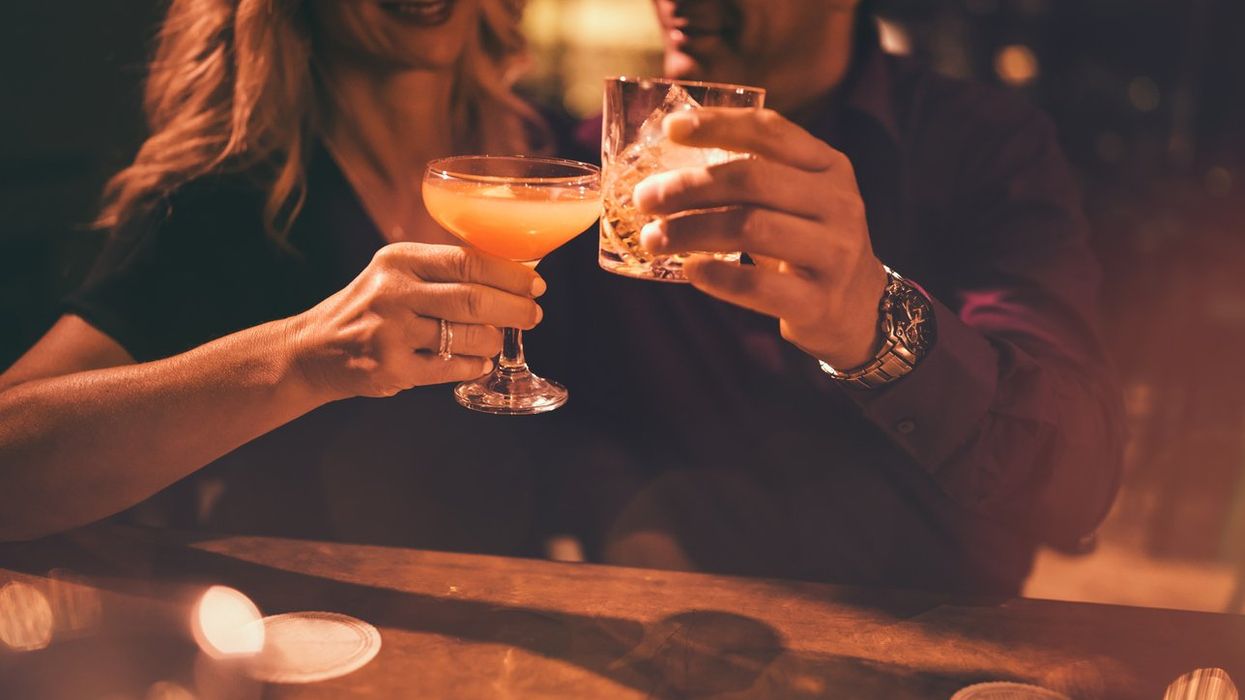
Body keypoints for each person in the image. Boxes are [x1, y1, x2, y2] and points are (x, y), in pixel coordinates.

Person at [534, 0, 1126, 594]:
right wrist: (629, 524)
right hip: (674, 632)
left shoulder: (982, 144)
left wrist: (873, 325)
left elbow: (1079, 485)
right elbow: (579, 408)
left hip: (934, 638)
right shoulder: (602, 162)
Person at [0, 0, 554, 547]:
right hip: (304, 624)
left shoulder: (556, 171)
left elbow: (606, 440)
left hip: (527, 613)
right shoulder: (216, 204)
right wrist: (303, 358)